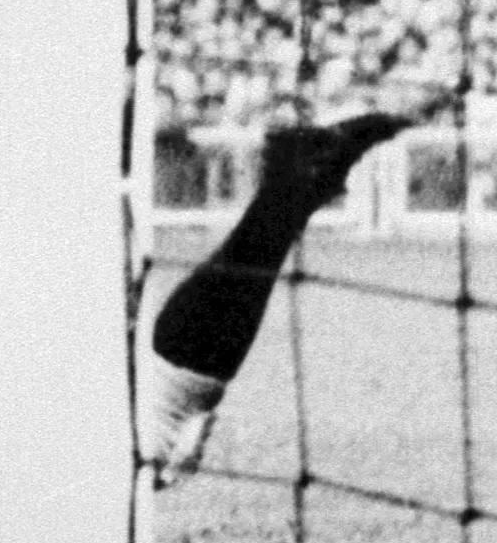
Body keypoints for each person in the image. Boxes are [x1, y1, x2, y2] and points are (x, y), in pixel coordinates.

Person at [141, 111, 413, 483]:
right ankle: (311, 170)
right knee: (264, 242)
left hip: (180, 375)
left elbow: (177, 462)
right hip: (184, 377)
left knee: (262, 242)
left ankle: (302, 166)